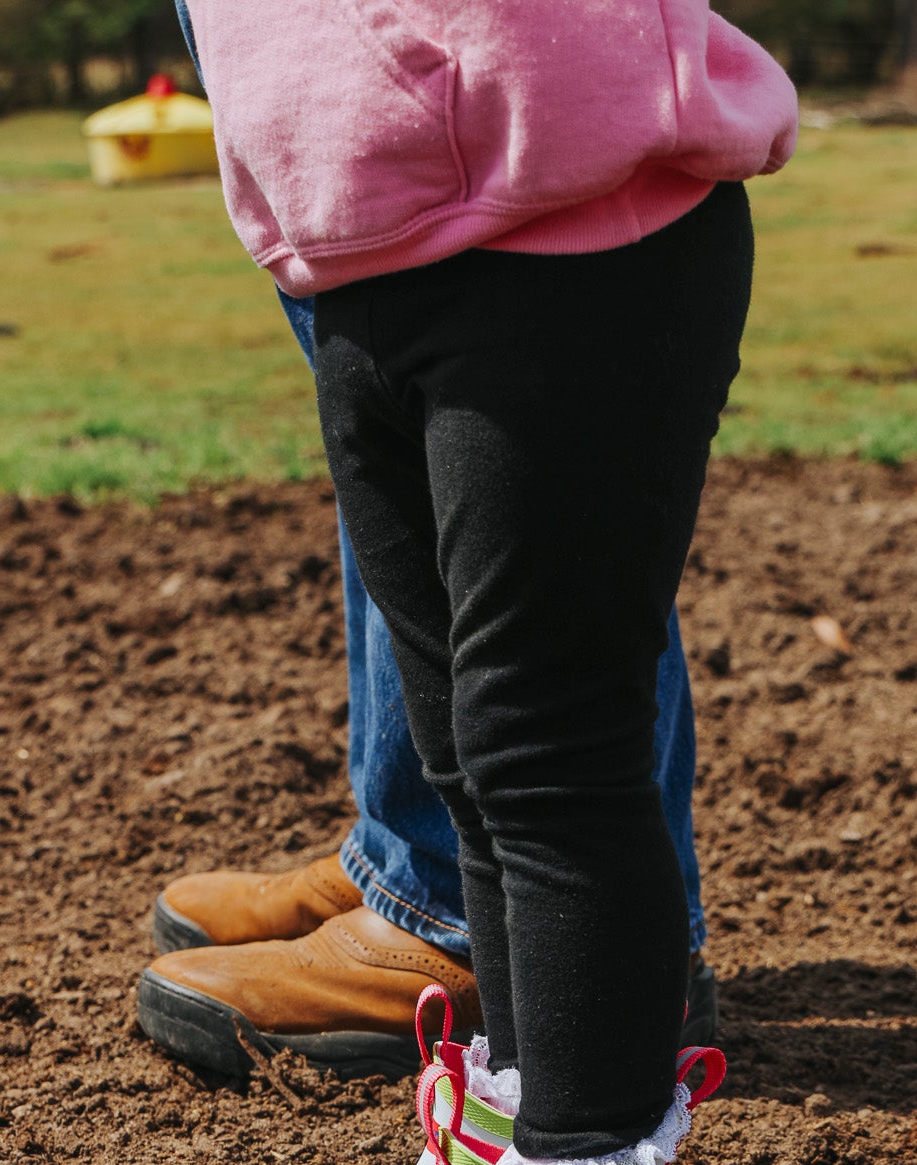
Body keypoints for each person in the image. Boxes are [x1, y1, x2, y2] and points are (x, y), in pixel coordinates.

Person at [151, 0, 797, 1165]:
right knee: (460, 753)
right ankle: (499, 1156)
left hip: (561, 231)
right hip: (365, 245)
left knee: (545, 746)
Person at [140, 23, 716, 1086]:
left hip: (521, 172)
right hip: (366, 187)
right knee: (449, 620)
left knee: (537, 698)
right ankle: (421, 867)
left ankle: (470, 921)